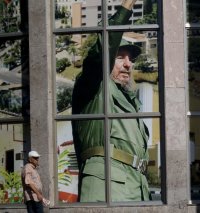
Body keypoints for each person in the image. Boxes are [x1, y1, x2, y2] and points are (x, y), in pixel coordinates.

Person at [71, 0, 151, 202]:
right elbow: (102, 49)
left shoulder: (131, 100)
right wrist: (127, 6)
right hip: (106, 190)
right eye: (120, 57)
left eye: (131, 59)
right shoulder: (94, 86)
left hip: (136, 188)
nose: (127, 64)